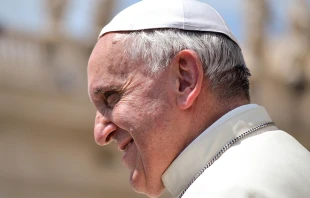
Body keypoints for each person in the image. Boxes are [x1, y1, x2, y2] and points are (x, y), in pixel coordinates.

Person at [87, 0, 310, 197]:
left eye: (112, 96)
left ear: (185, 79)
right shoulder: (297, 162)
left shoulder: (229, 190)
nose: (100, 134)